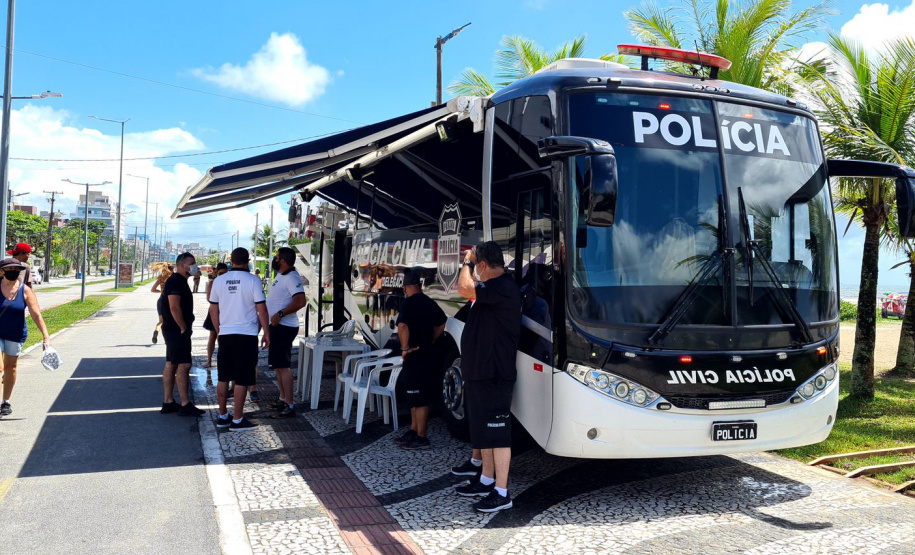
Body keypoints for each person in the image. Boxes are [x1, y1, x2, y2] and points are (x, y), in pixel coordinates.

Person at [453, 241, 521, 513]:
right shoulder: (492, 290)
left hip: (495, 373)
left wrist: (466, 262)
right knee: (485, 433)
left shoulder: (502, 288)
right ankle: (486, 480)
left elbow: (463, 288)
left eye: (475, 264)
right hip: (481, 372)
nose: (473, 269)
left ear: (482, 265)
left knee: (498, 433)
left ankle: (502, 493)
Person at [209, 248, 270, 431]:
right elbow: (262, 309)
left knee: (223, 376)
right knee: (242, 378)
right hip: (247, 335)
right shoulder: (253, 281)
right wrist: (266, 333)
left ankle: (222, 416)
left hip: (226, 334)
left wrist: (219, 331)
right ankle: (237, 419)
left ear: (231, 260)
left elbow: (213, 310)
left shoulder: (219, 281)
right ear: (248, 260)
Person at [392, 269, 446, 450]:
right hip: (427, 354)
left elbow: (402, 326)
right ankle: (414, 431)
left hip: (415, 355)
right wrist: (431, 339)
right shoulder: (430, 302)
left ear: (405, 286)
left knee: (419, 398)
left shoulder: (408, 304)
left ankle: (422, 436)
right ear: (420, 285)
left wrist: (405, 348)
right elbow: (442, 322)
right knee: (414, 396)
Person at [0, 258, 51, 417]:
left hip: (16, 333)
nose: (14, 271)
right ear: (2, 272)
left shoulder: (25, 290)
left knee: (11, 368)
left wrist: (46, 336)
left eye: (17, 269)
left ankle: (5, 402)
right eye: (10, 268)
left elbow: (36, 314)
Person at [160, 253, 205, 417]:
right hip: (176, 331)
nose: (195, 266)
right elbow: (174, 307)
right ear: (182, 265)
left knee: (171, 363)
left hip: (173, 330)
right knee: (184, 365)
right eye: (192, 263)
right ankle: (185, 404)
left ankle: (168, 402)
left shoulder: (179, 281)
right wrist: (183, 327)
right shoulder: (176, 281)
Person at [265, 247, 306, 417]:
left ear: (282, 260)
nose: (274, 259)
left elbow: (300, 301)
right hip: (275, 327)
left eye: (276, 257)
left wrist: (281, 314)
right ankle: (282, 398)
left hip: (284, 327)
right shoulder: (281, 276)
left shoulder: (292, 277)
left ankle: (289, 404)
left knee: (283, 366)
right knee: (277, 366)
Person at [203, 263, 229, 377]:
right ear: (216, 273)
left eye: (225, 273)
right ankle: (209, 360)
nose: (223, 275)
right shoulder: (213, 283)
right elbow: (209, 298)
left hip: (226, 312)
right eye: (220, 273)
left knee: (223, 338)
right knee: (213, 336)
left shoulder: (228, 283)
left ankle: (223, 361)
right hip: (214, 312)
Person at [150, 263, 174, 344]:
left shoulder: (160, 278)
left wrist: (161, 291)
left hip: (161, 300)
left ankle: (156, 330)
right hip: (169, 301)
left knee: (161, 321)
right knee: (170, 320)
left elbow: (153, 289)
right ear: (171, 269)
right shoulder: (172, 278)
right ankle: (168, 339)